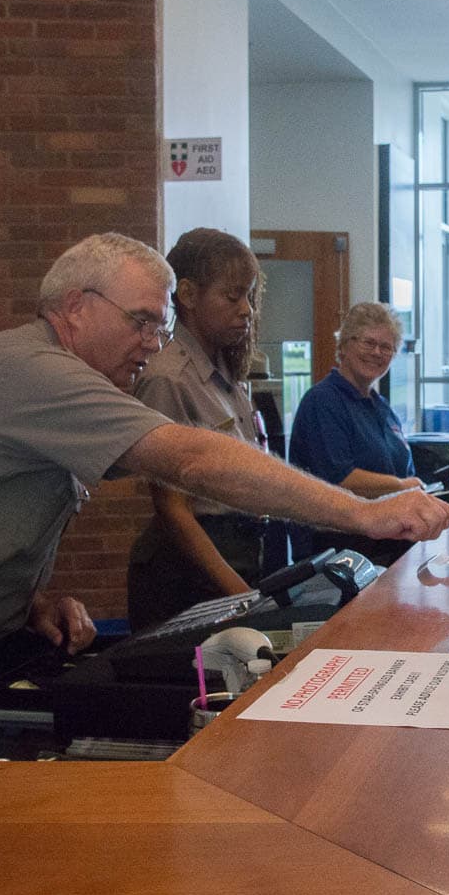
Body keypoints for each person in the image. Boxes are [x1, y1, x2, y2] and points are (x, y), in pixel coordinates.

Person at [0, 233, 449, 742]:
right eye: (141, 321)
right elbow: (190, 459)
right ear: (73, 307)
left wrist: (21, 600)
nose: (155, 341)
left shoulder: (62, 379)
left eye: (159, 323)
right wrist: (364, 513)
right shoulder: (35, 370)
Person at [126, 229, 279, 626]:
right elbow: (173, 510)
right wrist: (242, 594)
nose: (246, 310)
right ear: (189, 295)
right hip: (191, 569)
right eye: (232, 297)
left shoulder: (227, 373)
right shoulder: (169, 377)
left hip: (241, 547)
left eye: (249, 297)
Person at [286, 302, 423, 566]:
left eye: (386, 347)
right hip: (339, 557)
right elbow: (341, 479)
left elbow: (404, 469)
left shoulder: (381, 407)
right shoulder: (323, 401)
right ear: (344, 345)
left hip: (386, 553)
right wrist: (401, 487)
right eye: (368, 342)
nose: (376, 352)